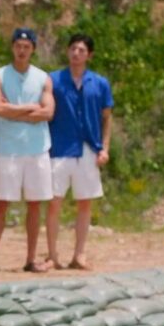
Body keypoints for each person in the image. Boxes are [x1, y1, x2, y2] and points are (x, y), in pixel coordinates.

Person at [0, 28, 55, 274]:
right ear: (12, 47)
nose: (22, 50)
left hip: (36, 149)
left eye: (26, 46)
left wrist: (13, 109)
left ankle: (31, 258)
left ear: (32, 48)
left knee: (35, 204)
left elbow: (47, 112)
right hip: (9, 149)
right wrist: (28, 109)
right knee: (2, 203)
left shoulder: (43, 77)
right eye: (18, 46)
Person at [46, 33, 114, 270]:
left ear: (89, 55)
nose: (76, 53)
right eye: (73, 48)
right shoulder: (53, 80)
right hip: (60, 147)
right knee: (54, 202)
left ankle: (80, 254)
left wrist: (105, 147)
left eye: (82, 50)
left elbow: (107, 118)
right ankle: (52, 255)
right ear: (67, 51)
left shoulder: (100, 83)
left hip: (88, 148)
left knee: (85, 203)